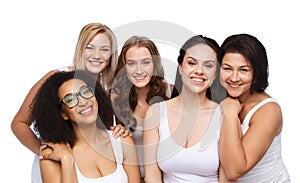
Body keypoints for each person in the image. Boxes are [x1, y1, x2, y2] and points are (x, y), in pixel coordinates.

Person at [10, 23, 127, 182]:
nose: (97, 55)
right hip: (58, 169)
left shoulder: (109, 89)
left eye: (104, 50)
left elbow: (102, 133)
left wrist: (118, 130)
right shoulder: (57, 80)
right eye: (90, 47)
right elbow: (19, 123)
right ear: (81, 49)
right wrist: (46, 151)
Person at [143, 35, 226, 183]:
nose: (199, 71)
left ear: (215, 74)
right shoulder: (156, 113)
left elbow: (228, 178)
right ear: (181, 68)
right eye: (192, 63)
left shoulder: (224, 115)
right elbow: (152, 176)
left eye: (208, 65)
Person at [32, 70, 141, 183]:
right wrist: (67, 160)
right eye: (70, 99)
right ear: (63, 114)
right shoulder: (52, 154)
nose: (83, 102)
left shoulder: (122, 141)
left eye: (86, 91)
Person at [218, 33, 290, 182]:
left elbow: (234, 171)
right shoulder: (219, 97)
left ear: (257, 72)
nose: (234, 78)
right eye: (227, 69)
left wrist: (231, 114)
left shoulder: (268, 111)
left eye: (243, 70)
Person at [111, 36, 173, 182]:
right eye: (131, 64)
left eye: (145, 62)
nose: (139, 70)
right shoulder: (114, 99)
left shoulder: (171, 93)